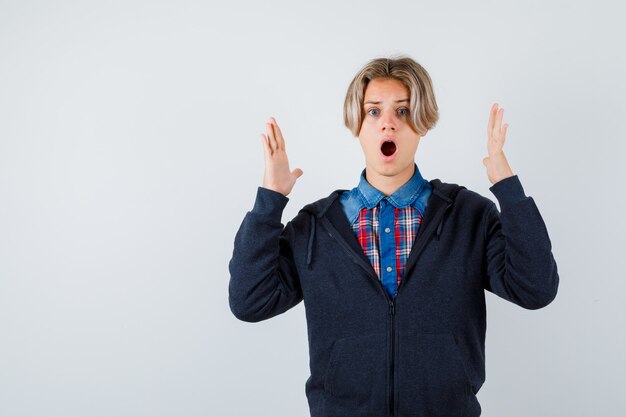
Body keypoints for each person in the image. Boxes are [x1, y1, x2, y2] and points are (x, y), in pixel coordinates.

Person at [228, 56, 559, 417]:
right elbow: (250, 301)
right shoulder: (315, 226)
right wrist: (269, 200)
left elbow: (536, 289)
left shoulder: (471, 216)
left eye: (402, 111)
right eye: (373, 112)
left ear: (423, 123)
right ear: (357, 123)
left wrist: (506, 186)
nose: (387, 123)